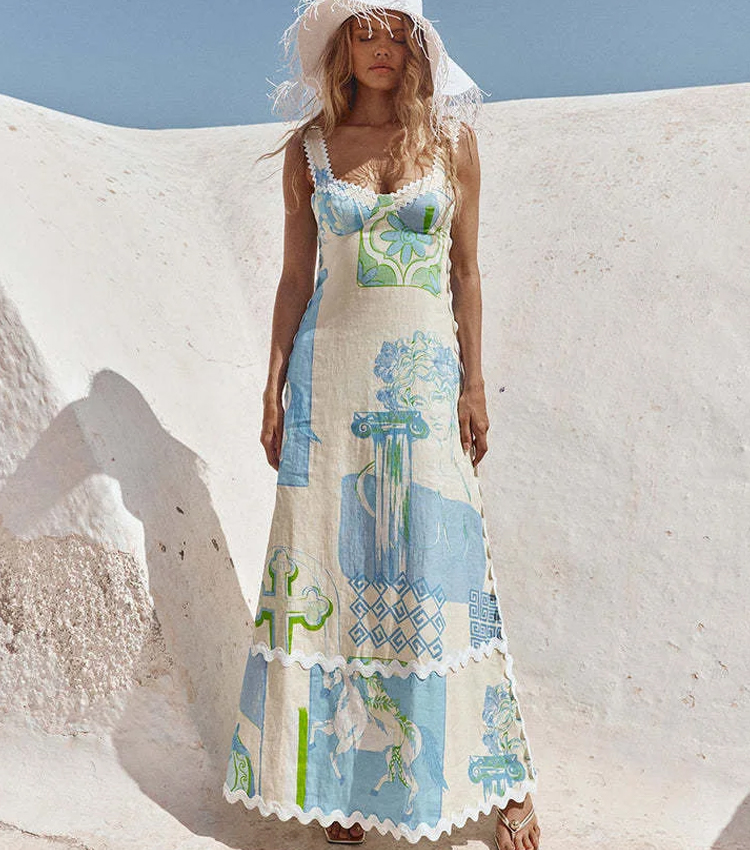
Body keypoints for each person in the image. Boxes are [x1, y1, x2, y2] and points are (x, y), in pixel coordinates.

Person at [223, 2, 541, 847]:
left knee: (447, 571)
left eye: (398, 31)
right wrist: (273, 386)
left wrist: (474, 384)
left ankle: (505, 777)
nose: (382, 48)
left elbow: (465, 272)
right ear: (340, 46)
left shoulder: (452, 142)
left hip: (427, 381)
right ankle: (345, 786)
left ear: (420, 46)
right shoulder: (311, 150)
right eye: (364, 31)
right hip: (330, 381)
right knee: (336, 571)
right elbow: (296, 278)